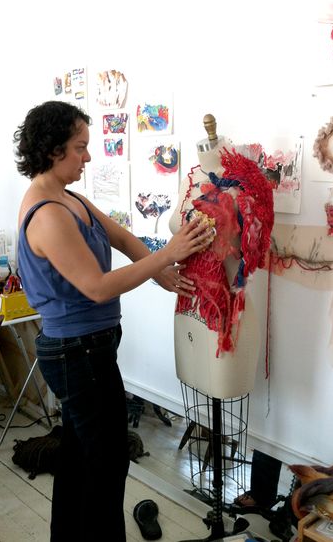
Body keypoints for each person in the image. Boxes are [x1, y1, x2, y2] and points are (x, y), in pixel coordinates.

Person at [13, 100, 212, 542]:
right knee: (105, 463)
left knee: (81, 457)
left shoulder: (70, 199)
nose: (87, 156)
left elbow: (121, 237)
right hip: (74, 354)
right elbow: (98, 287)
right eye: (80, 147)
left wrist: (162, 274)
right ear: (52, 150)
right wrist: (167, 255)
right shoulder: (47, 214)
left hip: (89, 350)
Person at [168, 128, 274, 399]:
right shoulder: (188, 181)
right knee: (192, 392)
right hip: (187, 306)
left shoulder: (248, 183)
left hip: (228, 316)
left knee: (224, 391)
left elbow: (254, 253)